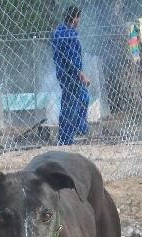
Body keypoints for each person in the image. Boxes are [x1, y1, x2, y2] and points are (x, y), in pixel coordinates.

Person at [52, 6, 90, 145]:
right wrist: (81, 74)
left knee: (80, 99)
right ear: (75, 18)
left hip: (62, 73)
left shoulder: (58, 31)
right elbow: (71, 58)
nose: (80, 20)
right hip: (72, 75)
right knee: (72, 105)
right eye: (79, 17)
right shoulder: (70, 34)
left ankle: (77, 131)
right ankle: (67, 137)